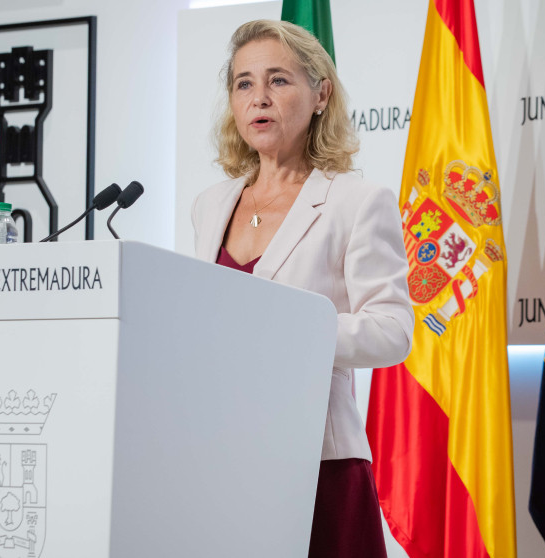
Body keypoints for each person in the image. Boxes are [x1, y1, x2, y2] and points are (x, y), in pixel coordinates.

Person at [191, 19, 413, 557]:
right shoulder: (209, 205)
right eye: (244, 83)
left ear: (321, 94)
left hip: (320, 467)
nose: (258, 97)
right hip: (223, 462)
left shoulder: (357, 201)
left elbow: (393, 331)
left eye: (278, 80)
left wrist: (285, 331)